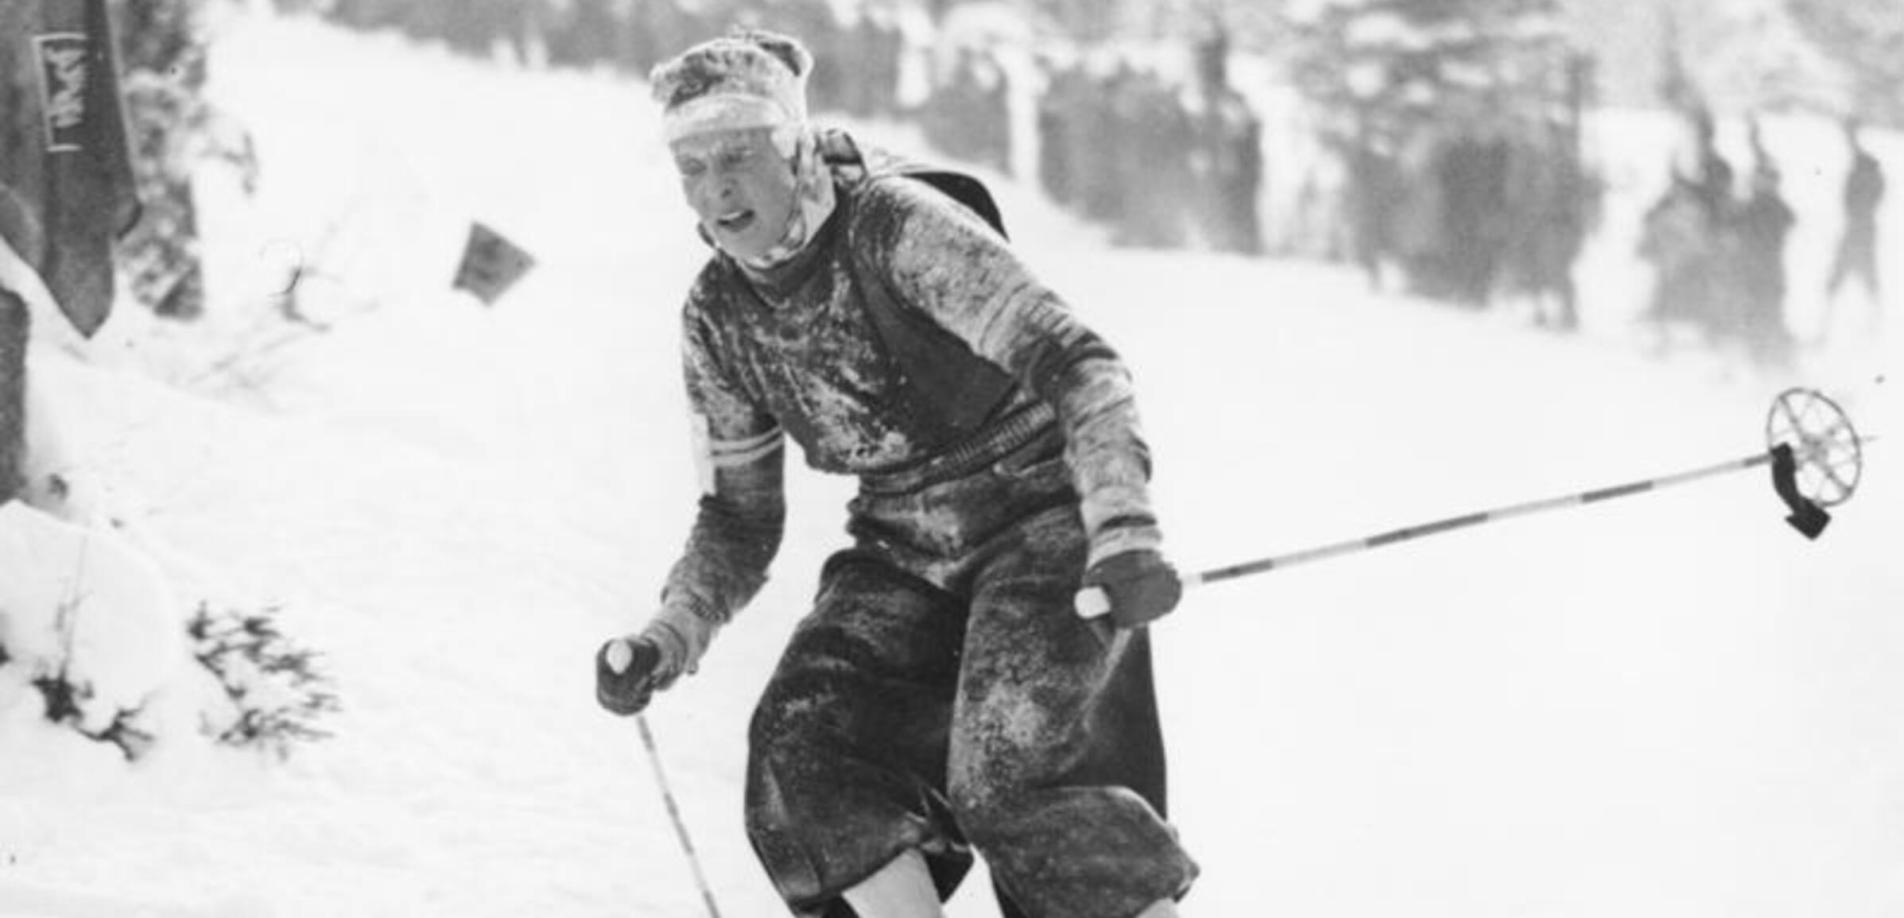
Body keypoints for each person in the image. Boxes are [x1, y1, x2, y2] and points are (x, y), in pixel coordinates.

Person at [593, 28, 1198, 918]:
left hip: (1038, 517)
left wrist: (1124, 526)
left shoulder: (896, 229)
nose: (717, 189)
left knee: (1010, 775)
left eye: (739, 155)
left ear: (793, 145)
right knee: (802, 748)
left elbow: (1079, 364)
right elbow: (738, 520)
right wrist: (670, 633)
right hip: (902, 546)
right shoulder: (718, 315)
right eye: (692, 166)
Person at [1823, 116, 1886, 337]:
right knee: (1857, 278)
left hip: (1859, 230)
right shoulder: (1865, 166)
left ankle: (1871, 329)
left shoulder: (1865, 166)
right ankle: (1871, 328)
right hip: (1859, 228)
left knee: (1851, 277)